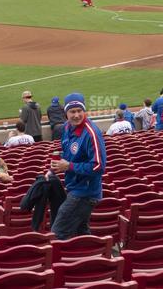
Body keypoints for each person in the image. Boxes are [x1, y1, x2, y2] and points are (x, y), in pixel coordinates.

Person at [50, 93, 107, 240]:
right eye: (72, 111)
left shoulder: (91, 133)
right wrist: (54, 168)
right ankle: (92, 258)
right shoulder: (67, 128)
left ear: (84, 111)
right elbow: (69, 153)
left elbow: (99, 166)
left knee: (57, 234)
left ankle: (60, 262)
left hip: (85, 193)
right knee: (81, 232)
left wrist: (69, 166)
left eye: (79, 111)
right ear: (66, 113)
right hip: (74, 187)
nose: (76, 115)